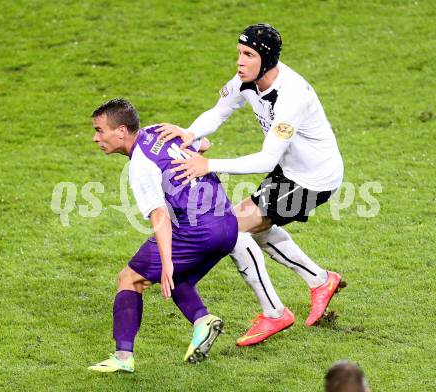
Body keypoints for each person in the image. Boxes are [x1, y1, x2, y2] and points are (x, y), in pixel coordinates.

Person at [155, 23, 346, 346]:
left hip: (313, 178)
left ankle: (275, 313)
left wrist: (207, 164)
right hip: (291, 171)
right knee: (249, 227)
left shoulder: (292, 97)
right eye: (239, 53)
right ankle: (320, 280)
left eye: (248, 55)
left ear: (267, 59)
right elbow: (219, 112)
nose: (240, 62)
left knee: (233, 229)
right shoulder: (247, 81)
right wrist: (190, 134)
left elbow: (266, 159)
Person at [88, 98, 238, 372]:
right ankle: (202, 321)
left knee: (129, 279)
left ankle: (123, 357)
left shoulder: (140, 165)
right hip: (228, 224)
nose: (95, 138)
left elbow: (159, 216)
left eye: (100, 130)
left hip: (198, 230)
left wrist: (166, 262)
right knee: (178, 275)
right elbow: (204, 145)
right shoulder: (159, 130)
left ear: (121, 131)